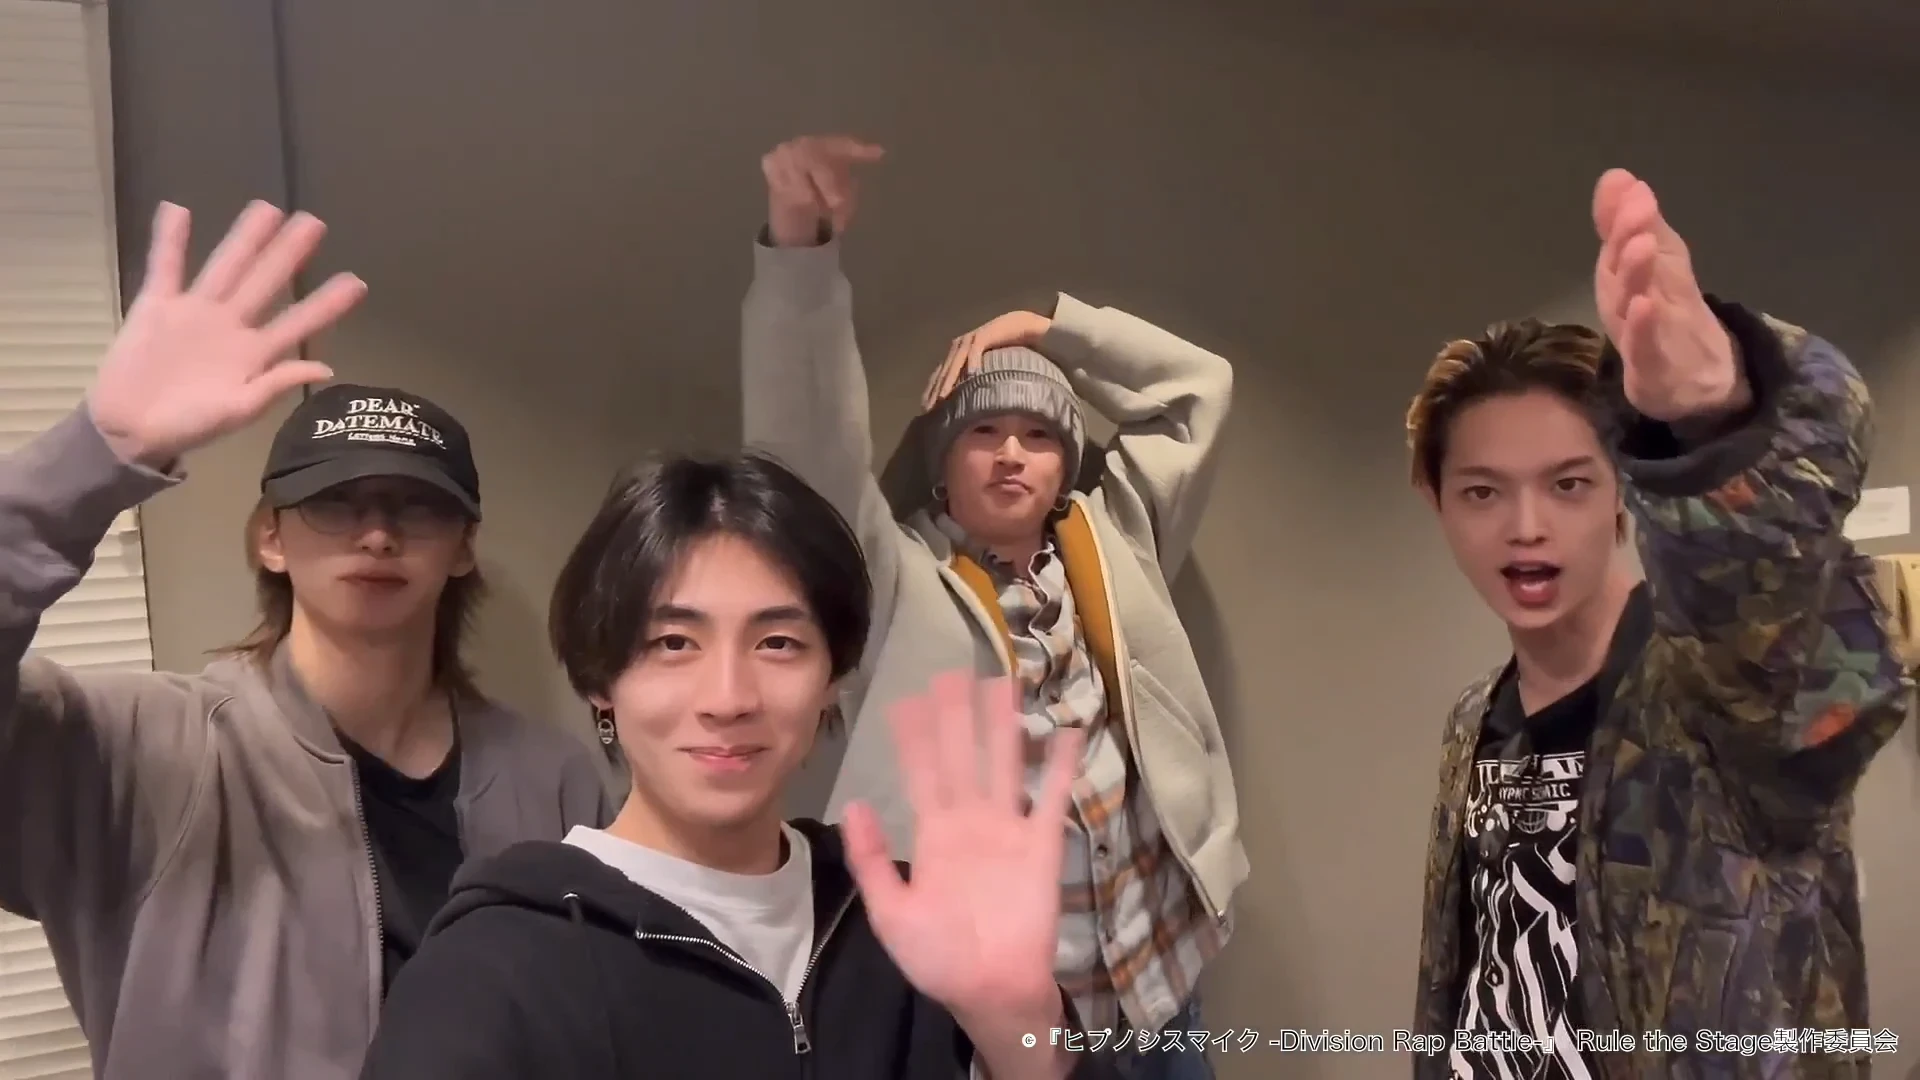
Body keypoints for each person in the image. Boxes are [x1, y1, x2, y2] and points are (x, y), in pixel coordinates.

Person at [0, 201, 615, 1080]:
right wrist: (97, 456)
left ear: (463, 547)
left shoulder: (551, 780)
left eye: (417, 507)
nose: (377, 535)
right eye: (335, 503)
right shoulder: (135, 751)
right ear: (272, 539)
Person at [739, 134, 1246, 1079]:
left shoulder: (1117, 536)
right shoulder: (895, 577)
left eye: (1038, 435)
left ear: (1065, 463)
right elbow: (806, 448)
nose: (1012, 453)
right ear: (944, 461)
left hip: (1159, 982)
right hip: (1008, 1015)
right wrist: (800, 249)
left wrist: (1049, 328)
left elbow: (1197, 389)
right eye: (984, 430)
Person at [359, 453, 1117, 1080]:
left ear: (832, 678)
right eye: (673, 644)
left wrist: (1021, 1024)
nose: (728, 699)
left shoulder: (908, 926)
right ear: (601, 680)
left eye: (778, 643)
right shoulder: (496, 968)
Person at [1404, 169, 1911, 1079]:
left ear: (1621, 497)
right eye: (1483, 492)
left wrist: (1718, 417)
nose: (1526, 527)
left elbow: (1765, 592)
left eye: (1569, 484)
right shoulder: (1475, 721)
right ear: (1436, 502)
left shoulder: (1717, 693)